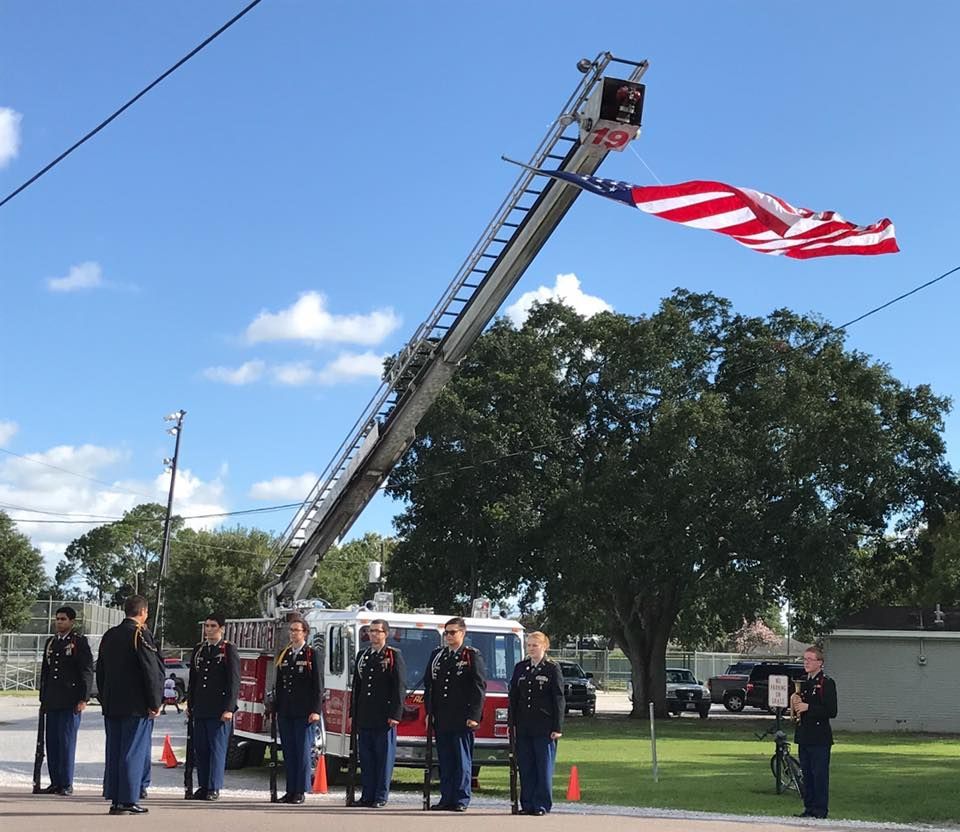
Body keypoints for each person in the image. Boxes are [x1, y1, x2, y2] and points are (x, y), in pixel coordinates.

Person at [96, 594, 164, 815]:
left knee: (115, 751)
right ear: (143, 613)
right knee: (132, 752)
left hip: (113, 703)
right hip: (135, 705)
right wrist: (155, 702)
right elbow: (151, 672)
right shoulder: (140, 634)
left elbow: (101, 671)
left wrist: (104, 698)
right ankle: (127, 799)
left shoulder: (110, 635)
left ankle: (116, 798)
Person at [424, 616, 486, 812]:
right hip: (442, 716)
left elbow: (478, 687)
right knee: (446, 760)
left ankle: (461, 798)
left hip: (462, 717)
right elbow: (430, 686)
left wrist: (474, 716)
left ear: (463, 633)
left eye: (453, 632)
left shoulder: (470, 655)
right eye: (446, 632)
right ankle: (446, 797)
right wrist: (429, 711)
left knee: (461, 759)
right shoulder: (438, 656)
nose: (449, 636)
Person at [349, 618, 407, 808]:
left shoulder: (393, 655)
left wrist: (395, 714)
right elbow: (357, 687)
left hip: (384, 716)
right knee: (366, 758)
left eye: (377, 631)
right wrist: (353, 713)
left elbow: (399, 687)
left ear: (386, 634)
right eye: (371, 631)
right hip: (365, 715)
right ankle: (367, 795)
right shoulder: (363, 656)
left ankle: (380, 796)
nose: (373, 634)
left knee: (383, 758)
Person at [37, 605, 94, 796]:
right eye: (58, 619)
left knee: (66, 742)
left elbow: (86, 671)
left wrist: (83, 698)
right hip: (53, 700)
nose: (59, 622)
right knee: (52, 742)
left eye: (63, 619)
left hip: (70, 700)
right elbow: (46, 672)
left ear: (71, 622)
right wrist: (43, 698)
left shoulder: (78, 642)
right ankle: (55, 781)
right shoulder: (51, 643)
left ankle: (66, 783)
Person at [508, 631, 564, 816]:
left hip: (544, 726)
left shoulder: (551, 668)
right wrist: (511, 722)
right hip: (524, 725)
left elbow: (558, 699)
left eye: (535, 645)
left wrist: (557, 727)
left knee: (543, 766)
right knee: (526, 766)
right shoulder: (521, 668)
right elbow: (514, 697)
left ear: (544, 646)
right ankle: (528, 803)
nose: (531, 648)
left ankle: (541, 804)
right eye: (529, 645)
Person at [186, 612, 240, 801]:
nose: (208, 629)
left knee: (216, 748)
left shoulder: (227, 649)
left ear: (221, 629)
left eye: (213, 626)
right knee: (201, 749)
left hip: (219, 709)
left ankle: (213, 786)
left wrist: (229, 708)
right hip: (201, 707)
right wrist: (190, 703)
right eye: (207, 626)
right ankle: (203, 785)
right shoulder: (200, 650)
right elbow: (194, 680)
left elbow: (233, 682)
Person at [273, 615, 322, 805]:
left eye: (297, 630)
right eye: (291, 630)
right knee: (289, 751)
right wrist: (276, 706)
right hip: (286, 710)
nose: (293, 634)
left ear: (305, 633)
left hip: (304, 711)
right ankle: (290, 789)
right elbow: (279, 683)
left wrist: (315, 709)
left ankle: (300, 790)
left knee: (302, 752)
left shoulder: (311, 654)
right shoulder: (284, 654)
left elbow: (318, 685)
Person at [791, 645, 838, 819]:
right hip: (804, 735)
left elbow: (831, 711)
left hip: (819, 737)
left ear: (820, 662)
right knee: (807, 774)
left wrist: (808, 707)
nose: (806, 662)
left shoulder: (826, 683)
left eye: (810, 659)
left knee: (819, 775)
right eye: (805, 659)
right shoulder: (804, 683)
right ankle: (808, 807)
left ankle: (820, 810)